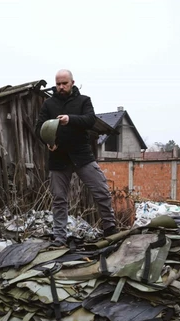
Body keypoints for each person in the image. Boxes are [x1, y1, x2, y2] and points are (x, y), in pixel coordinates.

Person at [35, 69, 117, 246]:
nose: (61, 87)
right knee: (58, 199)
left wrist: (69, 119)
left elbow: (89, 120)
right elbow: (39, 128)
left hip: (82, 155)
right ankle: (59, 237)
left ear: (72, 82)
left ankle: (110, 226)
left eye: (64, 83)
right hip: (58, 158)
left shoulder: (83, 101)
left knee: (101, 190)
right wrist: (48, 142)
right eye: (58, 84)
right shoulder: (49, 104)